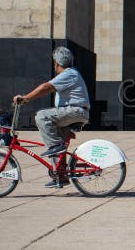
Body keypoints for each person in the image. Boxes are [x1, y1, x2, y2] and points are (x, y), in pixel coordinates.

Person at [13, 47, 90, 177]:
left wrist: (25, 99)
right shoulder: (70, 73)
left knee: (41, 116)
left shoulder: (69, 73)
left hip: (75, 111)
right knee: (57, 143)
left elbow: (46, 87)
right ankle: (60, 175)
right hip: (72, 112)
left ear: (56, 63)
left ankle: (55, 146)